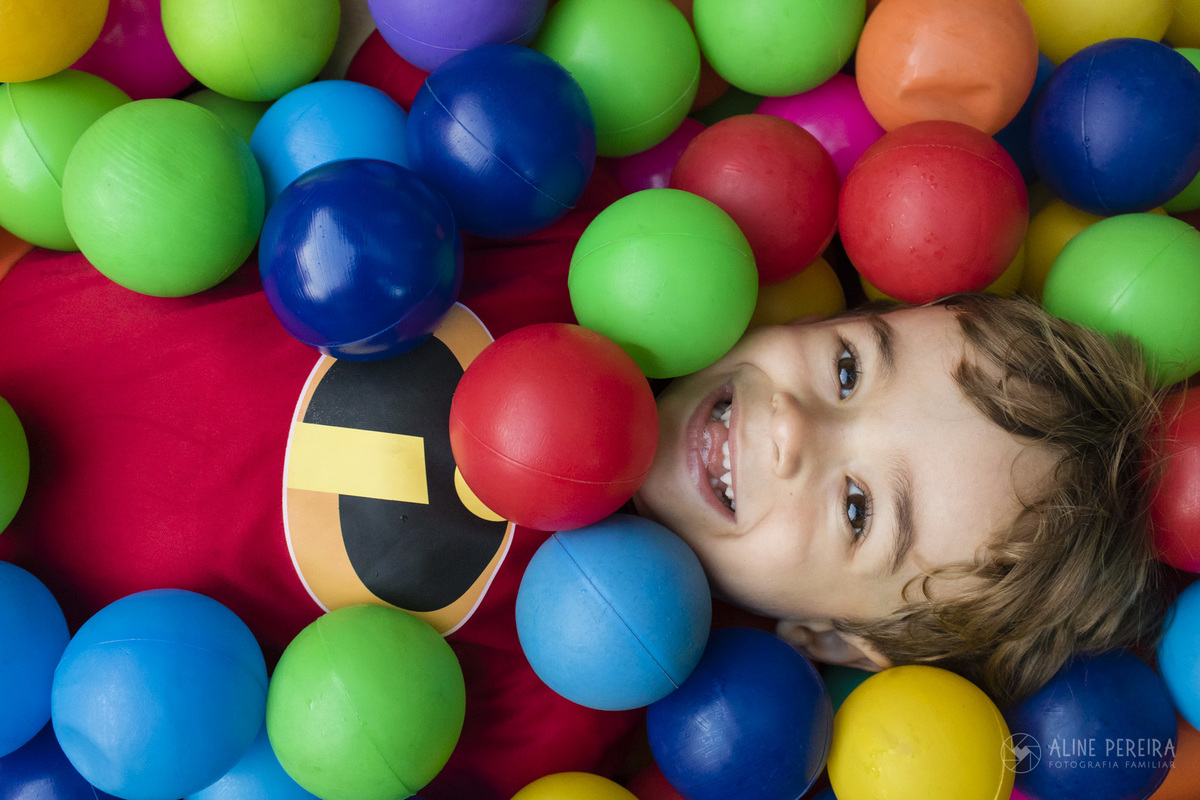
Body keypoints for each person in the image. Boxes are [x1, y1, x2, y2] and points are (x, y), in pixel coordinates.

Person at [0, 164, 1169, 796]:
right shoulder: (593, 243)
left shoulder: (570, 702)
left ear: (834, 637)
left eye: (862, 508)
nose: (798, 427)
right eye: (852, 365)